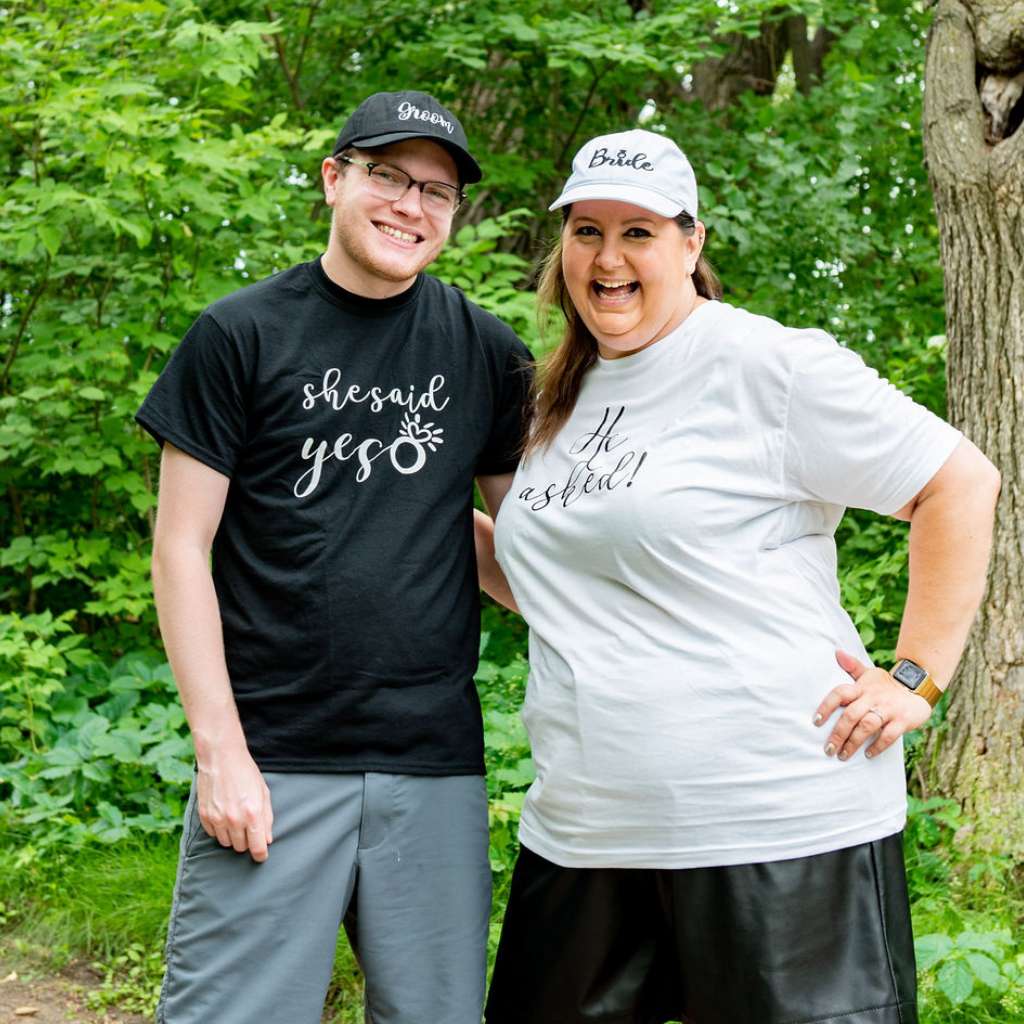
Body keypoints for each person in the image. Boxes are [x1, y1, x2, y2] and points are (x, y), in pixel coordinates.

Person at [475, 128, 1000, 1024]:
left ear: (692, 243)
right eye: (586, 230)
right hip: (588, 827)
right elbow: (560, 586)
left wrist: (914, 675)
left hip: (776, 823)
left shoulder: (766, 364)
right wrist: (390, 506)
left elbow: (959, 482)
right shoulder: (559, 395)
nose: (608, 258)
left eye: (638, 231)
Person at [135, 90, 532, 1024]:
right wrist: (220, 753)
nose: (411, 206)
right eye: (388, 176)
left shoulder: (486, 350)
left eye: (437, 191)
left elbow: (526, 553)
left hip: (435, 764)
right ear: (334, 180)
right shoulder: (240, 335)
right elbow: (181, 548)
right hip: (273, 759)